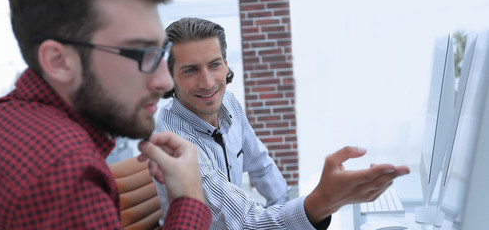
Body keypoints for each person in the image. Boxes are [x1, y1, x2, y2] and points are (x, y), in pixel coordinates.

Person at [0, 0, 210, 229]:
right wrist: (189, 199)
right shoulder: (68, 173)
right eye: (142, 54)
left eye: (161, 52)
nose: (165, 82)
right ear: (59, 61)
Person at [153, 17, 410, 229]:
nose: (208, 83)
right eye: (190, 70)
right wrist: (321, 202)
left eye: (214, 65)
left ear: (226, 64)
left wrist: (285, 207)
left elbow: (261, 165)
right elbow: (242, 222)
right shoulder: (174, 140)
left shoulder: (228, 102)